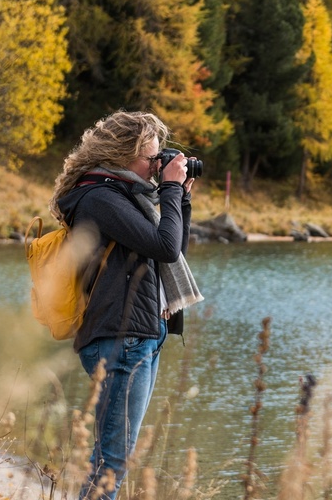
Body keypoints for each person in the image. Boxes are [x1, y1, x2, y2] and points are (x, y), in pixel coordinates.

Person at [49, 111, 204, 499]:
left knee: (114, 460)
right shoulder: (100, 198)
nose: (157, 166)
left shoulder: (126, 195)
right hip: (121, 338)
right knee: (111, 464)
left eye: (159, 159)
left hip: (142, 335)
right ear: (121, 155)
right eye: (151, 158)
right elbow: (164, 247)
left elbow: (170, 253)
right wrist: (168, 188)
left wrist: (179, 199)